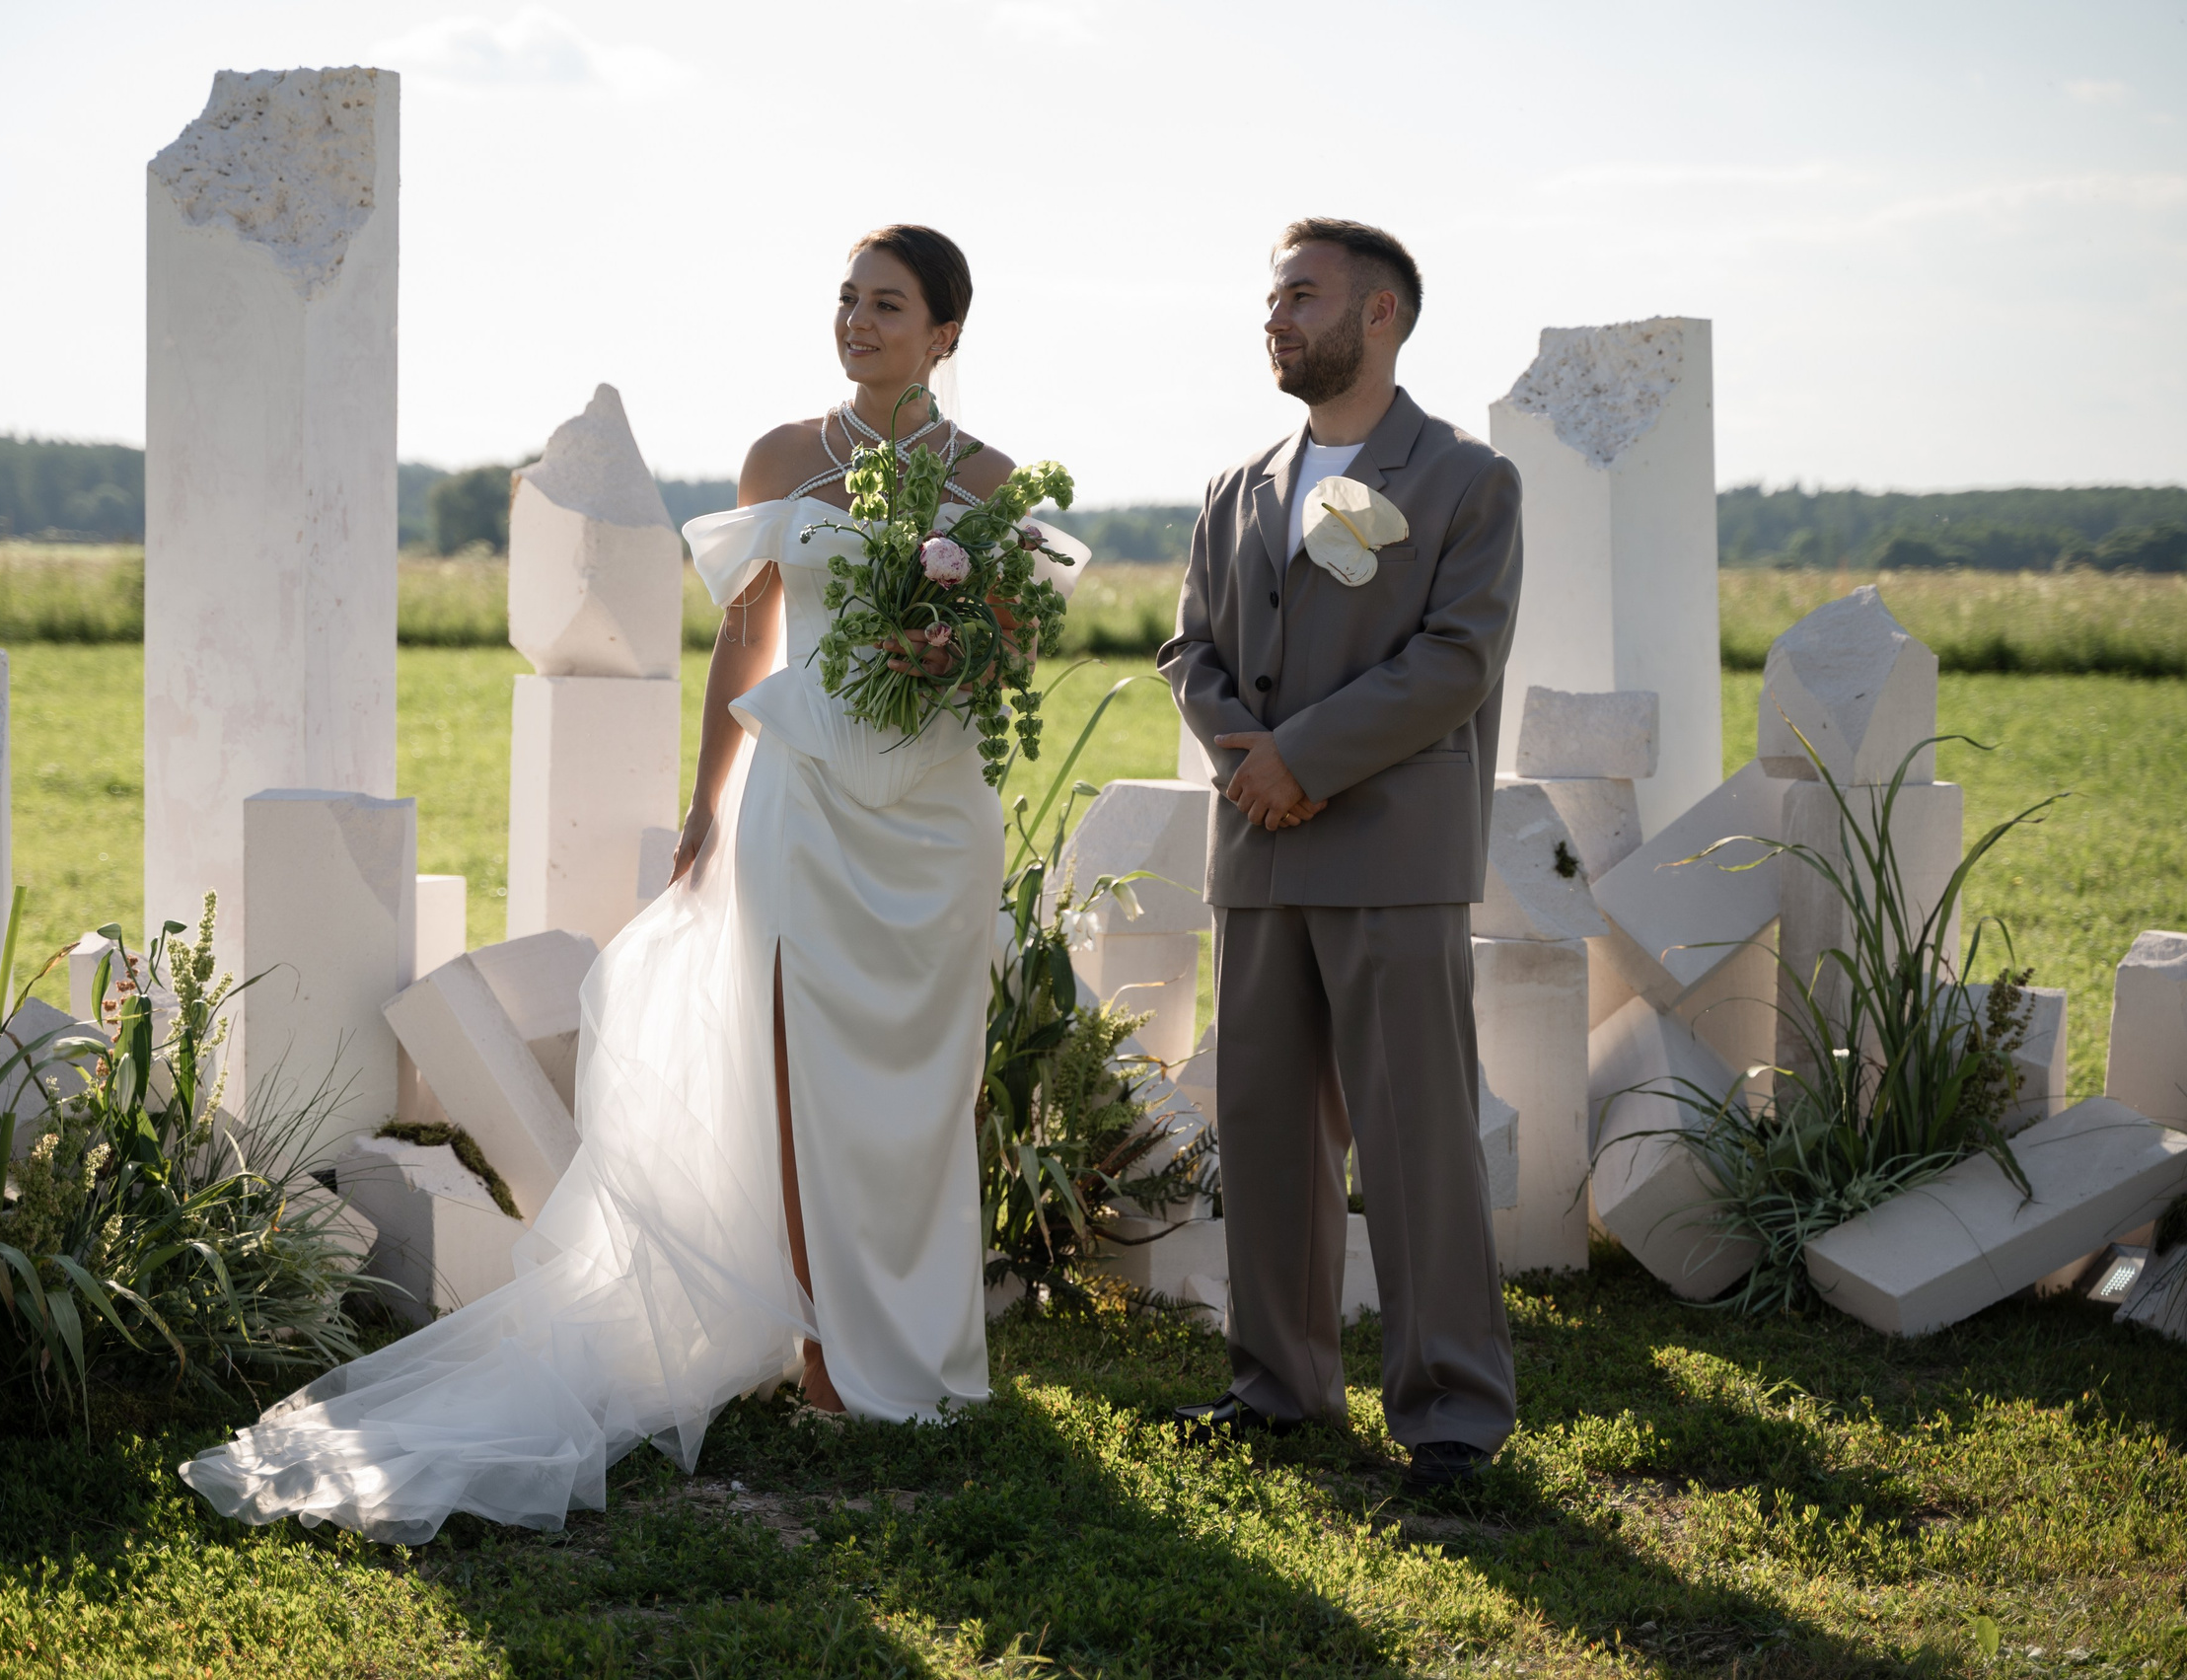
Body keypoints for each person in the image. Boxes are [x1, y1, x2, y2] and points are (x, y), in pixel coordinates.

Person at [179, 225, 1077, 1542]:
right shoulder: (785, 460)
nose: (858, 321)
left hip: (933, 826)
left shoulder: (995, 484)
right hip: (806, 813)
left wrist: (955, 644)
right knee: (804, 1071)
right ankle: (830, 1356)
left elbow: (1009, 657)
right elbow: (746, 643)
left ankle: (926, 1352)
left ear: (947, 334)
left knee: (918, 1093)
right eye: (846, 299)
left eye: (888, 305)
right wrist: (708, 805)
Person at [1157, 218, 1523, 1490]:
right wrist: (1244, 752)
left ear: (1381, 316)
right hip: (1257, 852)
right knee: (1264, 1131)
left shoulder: (1468, 482)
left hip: (1391, 852)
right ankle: (1275, 1386)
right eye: (1270, 296)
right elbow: (1190, 652)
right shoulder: (1235, 487)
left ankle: (1453, 1413)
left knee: (1414, 1138)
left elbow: (1455, 662)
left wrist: (1299, 759)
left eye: (1300, 296)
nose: (1274, 317)